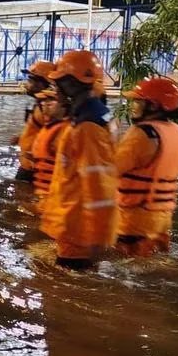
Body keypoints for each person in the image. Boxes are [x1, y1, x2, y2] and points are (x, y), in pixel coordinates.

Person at [39, 50, 118, 269]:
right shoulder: (96, 115)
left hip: (78, 226)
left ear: (71, 85)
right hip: (76, 222)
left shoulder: (87, 126)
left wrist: (97, 232)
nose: (55, 91)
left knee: (63, 284)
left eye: (58, 85)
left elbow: (97, 182)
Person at [115, 78, 178, 257]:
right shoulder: (177, 131)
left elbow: (110, 170)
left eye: (138, 101)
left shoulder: (141, 134)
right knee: (154, 261)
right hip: (162, 218)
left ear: (154, 105)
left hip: (134, 219)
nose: (133, 106)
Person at [13, 61, 58, 182]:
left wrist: (37, 156)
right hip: (30, 164)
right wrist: (21, 138)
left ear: (41, 83)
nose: (27, 84)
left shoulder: (48, 106)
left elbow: (54, 137)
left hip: (35, 167)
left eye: (30, 80)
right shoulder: (40, 103)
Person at [28, 88, 68, 205]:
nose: (44, 103)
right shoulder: (50, 127)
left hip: (55, 199)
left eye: (51, 100)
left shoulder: (64, 131)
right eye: (44, 100)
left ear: (65, 105)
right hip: (44, 196)